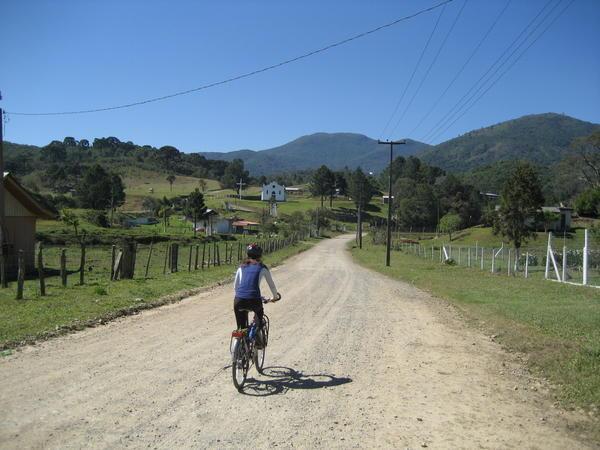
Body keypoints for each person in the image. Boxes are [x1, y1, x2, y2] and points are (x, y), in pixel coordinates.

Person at [233, 243, 281, 338]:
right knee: (259, 318)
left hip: (238, 300)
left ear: (247, 255)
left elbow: (235, 286)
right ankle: (258, 339)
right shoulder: (262, 268)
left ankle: (241, 343)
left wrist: (242, 295)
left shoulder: (241, 267)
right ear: (260, 256)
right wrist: (274, 297)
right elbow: (272, 286)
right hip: (254, 300)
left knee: (241, 329)